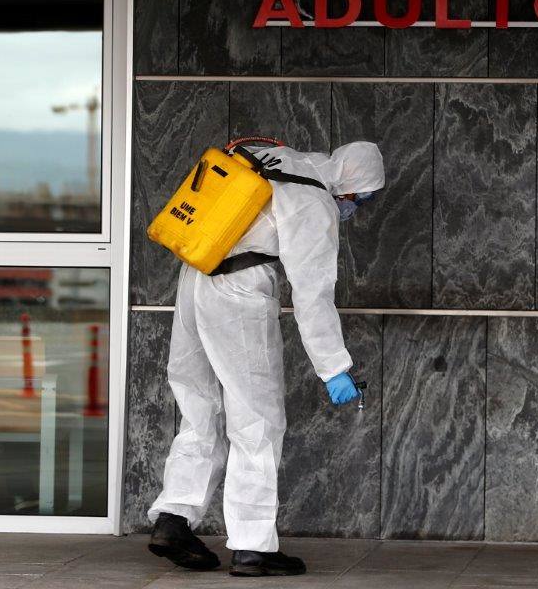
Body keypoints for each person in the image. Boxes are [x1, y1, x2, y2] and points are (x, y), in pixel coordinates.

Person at [146, 140, 385, 578]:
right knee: (257, 419)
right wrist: (334, 367)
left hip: (196, 272)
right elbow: (313, 294)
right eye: (359, 199)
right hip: (239, 287)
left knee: (198, 404)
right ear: (349, 186)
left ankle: (174, 518)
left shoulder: (284, 159)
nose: (355, 208)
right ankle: (253, 547)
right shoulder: (315, 201)